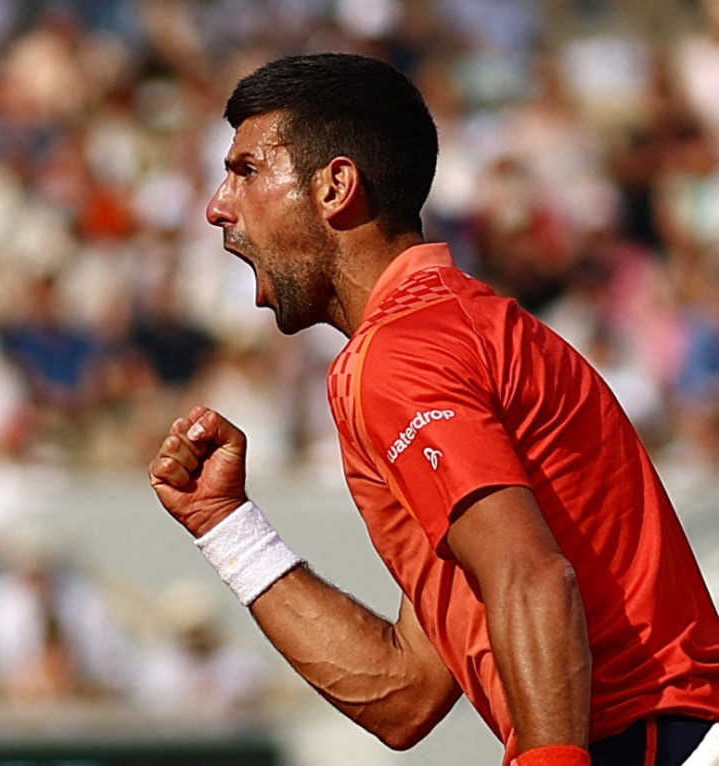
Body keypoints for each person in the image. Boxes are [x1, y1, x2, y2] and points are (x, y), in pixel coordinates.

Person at [147, 53, 719, 766]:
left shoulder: (402, 352)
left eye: (247, 171)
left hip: (653, 744)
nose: (217, 205)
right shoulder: (443, 334)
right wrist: (228, 528)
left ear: (336, 187)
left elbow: (531, 574)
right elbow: (404, 693)